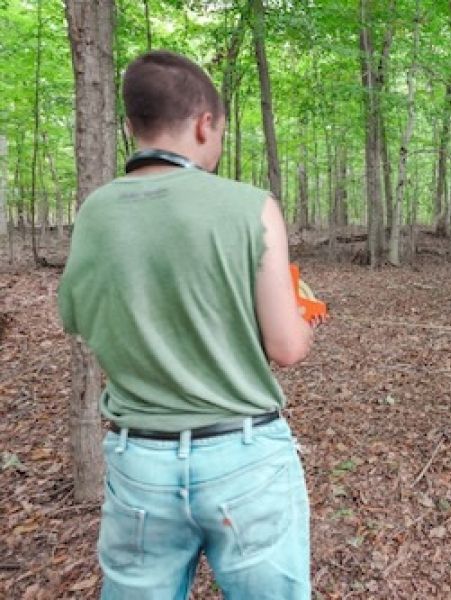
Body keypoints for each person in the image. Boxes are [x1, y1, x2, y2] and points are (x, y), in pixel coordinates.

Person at [57, 50, 315, 599]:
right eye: (219, 132)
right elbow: (287, 347)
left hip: (139, 462)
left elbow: (78, 320)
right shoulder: (250, 206)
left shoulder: (95, 211)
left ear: (131, 125)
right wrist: (303, 314)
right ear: (204, 124)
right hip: (244, 459)